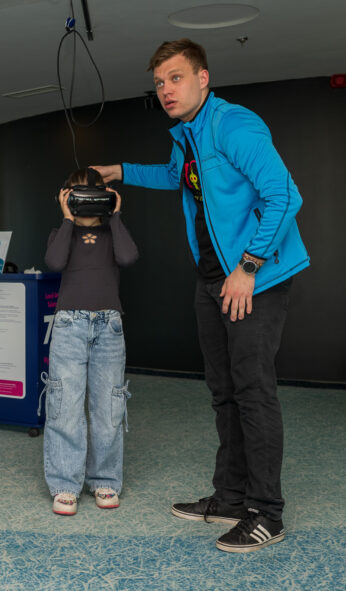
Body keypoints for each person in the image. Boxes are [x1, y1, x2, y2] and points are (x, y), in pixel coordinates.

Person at [92, 38, 309, 553]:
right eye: (159, 83)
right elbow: (175, 177)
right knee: (224, 391)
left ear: (202, 78)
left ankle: (267, 512)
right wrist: (120, 171)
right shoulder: (186, 136)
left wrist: (248, 268)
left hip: (255, 279)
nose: (166, 90)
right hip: (213, 280)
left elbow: (285, 195)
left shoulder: (233, 125)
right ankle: (231, 497)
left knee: (253, 391)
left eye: (176, 78)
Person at [42, 169, 138, 516]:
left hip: (108, 325)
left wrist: (116, 215)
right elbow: (54, 262)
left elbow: (128, 257)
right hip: (69, 325)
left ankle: (104, 479)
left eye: (92, 193)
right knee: (65, 405)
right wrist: (67, 219)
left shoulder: (113, 232)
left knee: (109, 407)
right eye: (76, 193)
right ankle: (65, 484)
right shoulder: (61, 232)